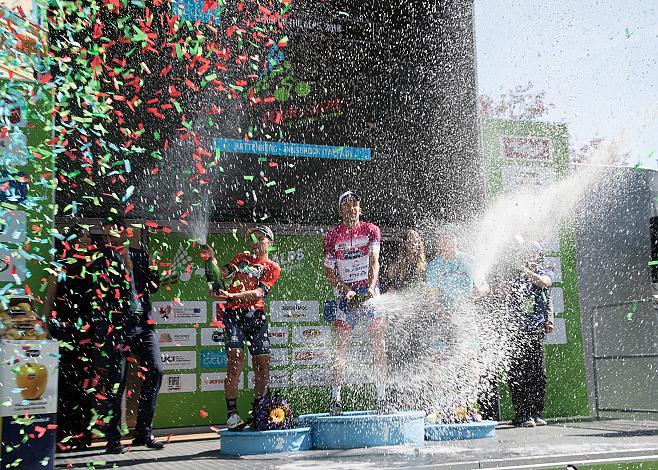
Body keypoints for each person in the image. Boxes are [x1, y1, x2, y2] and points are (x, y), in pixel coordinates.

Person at [200, 226, 281, 431]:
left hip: (256, 316)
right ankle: (232, 415)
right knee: (235, 362)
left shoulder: (272, 266)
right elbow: (223, 274)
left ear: (269, 244)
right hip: (233, 315)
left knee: (262, 366)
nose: (256, 242)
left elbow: (257, 293)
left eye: (261, 238)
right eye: (253, 238)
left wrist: (232, 296)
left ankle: (260, 411)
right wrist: (211, 262)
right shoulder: (241, 257)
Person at [99, 217, 165, 453]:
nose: (111, 235)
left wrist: (155, 271)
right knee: (117, 380)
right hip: (117, 325)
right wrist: (122, 266)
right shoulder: (102, 259)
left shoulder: (139, 255)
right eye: (107, 232)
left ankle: (143, 433)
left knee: (156, 371)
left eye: (115, 230)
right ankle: (113, 439)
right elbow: (101, 291)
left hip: (143, 324)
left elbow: (153, 286)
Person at [324, 191, 388, 415]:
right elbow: (328, 272)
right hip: (346, 293)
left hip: (369, 290)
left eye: (355, 205)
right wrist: (346, 289)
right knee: (341, 347)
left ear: (360, 208)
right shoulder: (332, 236)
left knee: (378, 343)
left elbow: (374, 260)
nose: (351, 208)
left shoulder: (371, 230)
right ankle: (335, 400)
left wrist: (370, 287)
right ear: (340, 210)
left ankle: (381, 398)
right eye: (347, 205)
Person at [44, 225, 100, 451]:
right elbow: (51, 292)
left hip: (89, 332)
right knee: (66, 383)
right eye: (81, 235)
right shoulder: (59, 263)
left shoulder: (97, 263)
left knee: (86, 383)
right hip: (65, 330)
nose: (86, 239)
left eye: (88, 236)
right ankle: (63, 436)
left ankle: (82, 435)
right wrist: (46, 323)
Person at [504, 240, 554, 428]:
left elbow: (544, 283)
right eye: (528, 252)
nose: (531, 255)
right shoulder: (512, 272)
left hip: (536, 329)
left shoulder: (545, 270)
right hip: (515, 329)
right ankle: (522, 413)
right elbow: (503, 293)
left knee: (537, 372)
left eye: (534, 252)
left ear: (539, 255)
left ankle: (535, 411)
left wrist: (525, 270)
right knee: (518, 372)